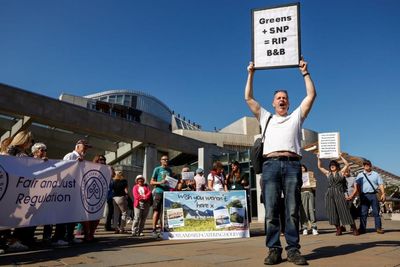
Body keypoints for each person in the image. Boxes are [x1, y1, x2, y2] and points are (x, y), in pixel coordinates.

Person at [245, 58, 316, 265]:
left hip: (293, 165)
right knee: (271, 210)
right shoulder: (266, 117)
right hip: (270, 165)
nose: (282, 100)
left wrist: (305, 73)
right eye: (278, 97)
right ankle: (274, 250)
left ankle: (293, 249)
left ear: (289, 102)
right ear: (273, 103)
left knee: (292, 210)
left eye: (285, 97)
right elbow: (248, 98)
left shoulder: (296, 117)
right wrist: (251, 73)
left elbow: (311, 96)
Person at [53, 139, 92, 246]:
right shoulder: (70, 156)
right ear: (78, 146)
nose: (86, 149)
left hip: (75, 190)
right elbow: (63, 170)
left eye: (87, 148)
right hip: (67, 189)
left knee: (72, 215)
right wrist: (76, 163)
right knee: (63, 214)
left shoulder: (82, 158)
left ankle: (69, 236)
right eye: (85, 147)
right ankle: (58, 237)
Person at [317, 154, 359, 236]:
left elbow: (347, 164)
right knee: (332, 212)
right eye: (331, 165)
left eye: (333, 165)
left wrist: (341, 157)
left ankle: (353, 228)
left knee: (344, 211)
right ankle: (338, 229)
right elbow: (319, 167)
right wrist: (318, 158)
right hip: (330, 194)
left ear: (336, 166)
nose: (332, 166)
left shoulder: (341, 173)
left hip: (339, 193)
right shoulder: (328, 173)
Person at [355, 160, 385, 234]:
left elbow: (381, 184)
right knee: (363, 213)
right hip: (364, 195)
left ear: (370, 165)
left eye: (368, 164)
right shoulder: (360, 175)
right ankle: (362, 228)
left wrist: (383, 193)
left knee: (376, 212)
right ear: (363, 166)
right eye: (365, 165)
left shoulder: (376, 174)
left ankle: (378, 228)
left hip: (373, 195)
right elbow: (357, 185)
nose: (366, 166)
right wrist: (359, 194)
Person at [31, 142, 52, 243]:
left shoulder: (47, 162)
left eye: (45, 150)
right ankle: (29, 237)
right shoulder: (28, 161)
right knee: (33, 216)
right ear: (35, 151)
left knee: (48, 214)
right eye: (41, 150)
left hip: (45, 193)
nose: (44, 152)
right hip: (33, 195)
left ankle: (47, 237)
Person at [150, 154, 173, 237]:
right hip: (159, 191)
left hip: (167, 192)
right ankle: (153, 230)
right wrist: (160, 182)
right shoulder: (157, 169)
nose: (166, 161)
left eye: (167, 159)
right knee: (156, 211)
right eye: (164, 159)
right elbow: (151, 182)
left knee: (164, 212)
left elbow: (171, 183)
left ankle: (163, 230)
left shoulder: (170, 170)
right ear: (161, 160)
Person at [300, 164, 318, 236]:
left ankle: (314, 227)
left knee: (312, 210)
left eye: (303, 168)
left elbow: (314, 188)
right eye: (300, 168)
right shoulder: (297, 176)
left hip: (310, 193)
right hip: (302, 193)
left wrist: (314, 182)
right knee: (304, 211)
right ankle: (304, 228)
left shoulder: (310, 175)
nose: (302, 169)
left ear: (305, 168)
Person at [104, 167, 116, 231]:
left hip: (111, 197)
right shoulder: (107, 179)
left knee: (110, 212)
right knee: (108, 212)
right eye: (112, 170)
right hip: (108, 197)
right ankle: (107, 226)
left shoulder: (112, 179)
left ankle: (108, 225)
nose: (113, 171)